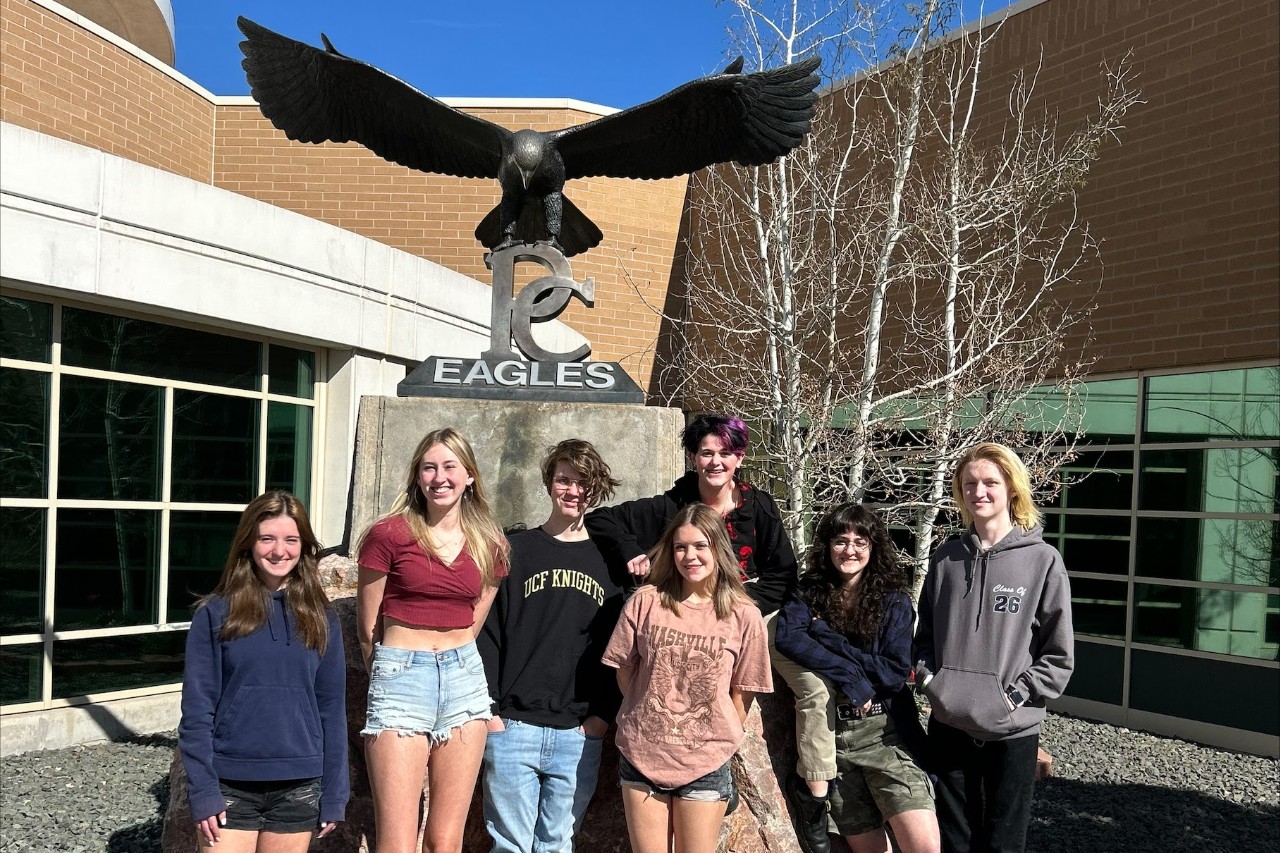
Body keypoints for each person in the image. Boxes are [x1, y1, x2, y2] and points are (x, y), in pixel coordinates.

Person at [586, 414, 830, 844]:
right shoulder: (671, 506)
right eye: (705, 453)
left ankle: (815, 792)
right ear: (693, 458)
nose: (715, 462)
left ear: (740, 457)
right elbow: (604, 520)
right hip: (676, 617)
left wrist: (731, 608)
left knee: (812, 684)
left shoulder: (760, 507)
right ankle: (607, 720)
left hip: (749, 611)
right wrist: (634, 554)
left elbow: (782, 574)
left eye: (725, 453)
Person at [914, 442, 1074, 853]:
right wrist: (933, 681)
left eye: (990, 482)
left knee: (1003, 843)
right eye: (969, 484)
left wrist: (1014, 696)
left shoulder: (1043, 561)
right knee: (954, 839)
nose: (978, 492)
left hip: (1011, 731)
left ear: (1012, 490)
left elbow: (1058, 655)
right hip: (949, 726)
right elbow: (924, 638)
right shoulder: (946, 558)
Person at [356, 427, 510, 853]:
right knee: (398, 842)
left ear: (470, 476)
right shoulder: (388, 535)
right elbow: (368, 624)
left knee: (446, 840)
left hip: (464, 679)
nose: (439, 477)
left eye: (449, 467)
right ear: (417, 477)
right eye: (429, 468)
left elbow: (474, 620)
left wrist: (451, 658)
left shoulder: (488, 542)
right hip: (402, 676)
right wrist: (388, 676)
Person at [478, 439, 629, 853]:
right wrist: (490, 712)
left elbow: (621, 644)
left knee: (558, 845)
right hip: (513, 726)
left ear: (596, 489)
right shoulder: (516, 551)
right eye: (564, 480)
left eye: (583, 483)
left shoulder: (609, 562)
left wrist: (600, 717)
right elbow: (489, 634)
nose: (573, 491)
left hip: (578, 733)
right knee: (509, 846)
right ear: (549, 483)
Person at [178, 491, 348, 852]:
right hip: (228, 784)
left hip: (299, 785)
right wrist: (203, 789)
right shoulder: (215, 614)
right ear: (248, 544)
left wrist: (335, 792)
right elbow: (196, 712)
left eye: (291, 540)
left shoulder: (322, 618)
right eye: (267, 538)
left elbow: (332, 711)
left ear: (303, 546)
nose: (278, 550)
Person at [602, 503, 774, 853]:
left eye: (700, 546)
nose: (690, 556)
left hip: (705, 764)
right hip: (642, 757)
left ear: (717, 549)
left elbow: (744, 690)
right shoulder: (645, 602)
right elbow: (625, 669)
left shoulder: (744, 614)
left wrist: (717, 731)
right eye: (681, 547)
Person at [775, 504, 939, 853]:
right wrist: (851, 674)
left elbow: (893, 673)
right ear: (827, 546)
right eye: (840, 541)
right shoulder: (810, 591)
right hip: (835, 739)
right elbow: (788, 637)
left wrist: (825, 636)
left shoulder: (894, 600)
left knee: (923, 846)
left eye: (860, 542)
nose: (849, 550)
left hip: (884, 736)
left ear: (873, 547)